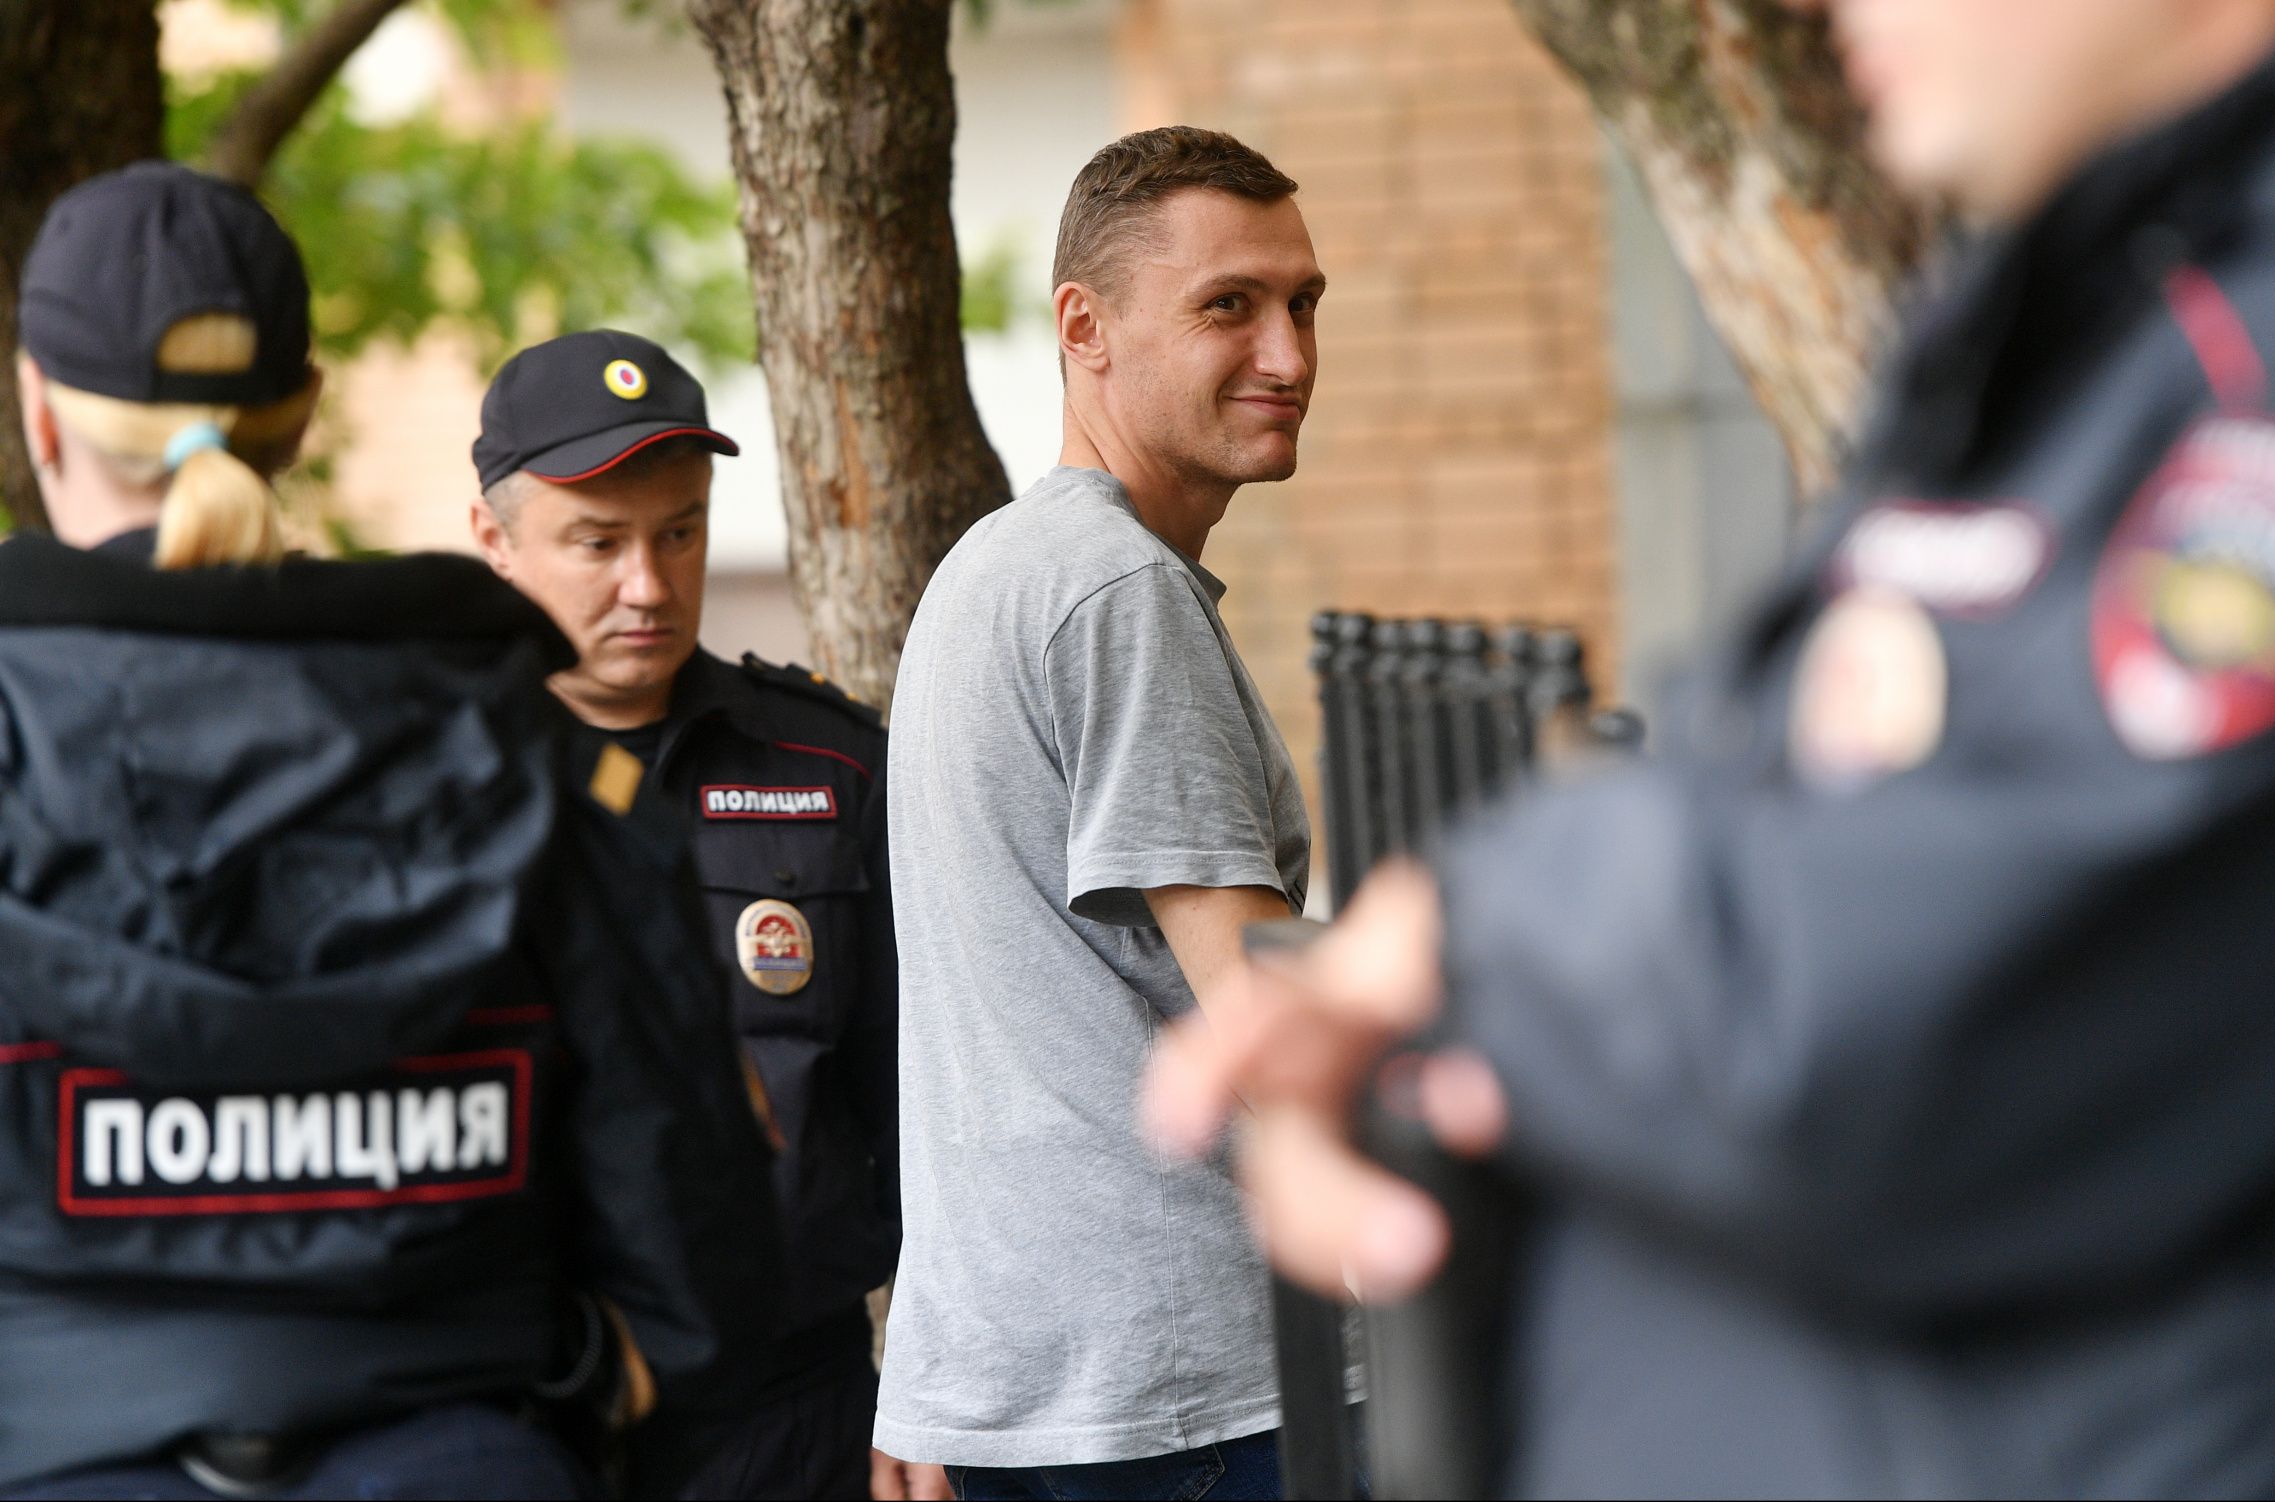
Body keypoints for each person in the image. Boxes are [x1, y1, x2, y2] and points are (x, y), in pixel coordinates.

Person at [1149, 0, 2275, 1494]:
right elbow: (1758, 771)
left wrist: (1453, 941)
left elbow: (1871, 1004)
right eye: (1230, 306)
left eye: (1303, 303)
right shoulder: (2109, 295)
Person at [0, 162, 782, 1499]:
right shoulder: (522, 747)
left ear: (39, 414)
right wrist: (567, 1391)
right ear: (302, 413)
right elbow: (698, 1240)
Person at [871, 127, 1322, 1501]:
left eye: (1303, 304)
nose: (1289, 354)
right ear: (1085, 328)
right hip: (1178, 1387)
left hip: (1039, 1380)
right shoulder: (1115, 591)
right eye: (1228, 305)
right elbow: (1263, 1015)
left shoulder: (1001, 567)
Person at [468, 330, 936, 1502]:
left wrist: (937, 1373)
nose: (649, 583)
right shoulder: (428, 784)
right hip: (515, 1411)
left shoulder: (827, 767)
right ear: (495, 539)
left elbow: (927, 1099)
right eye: (598, 542)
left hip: (789, 1410)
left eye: (680, 532)